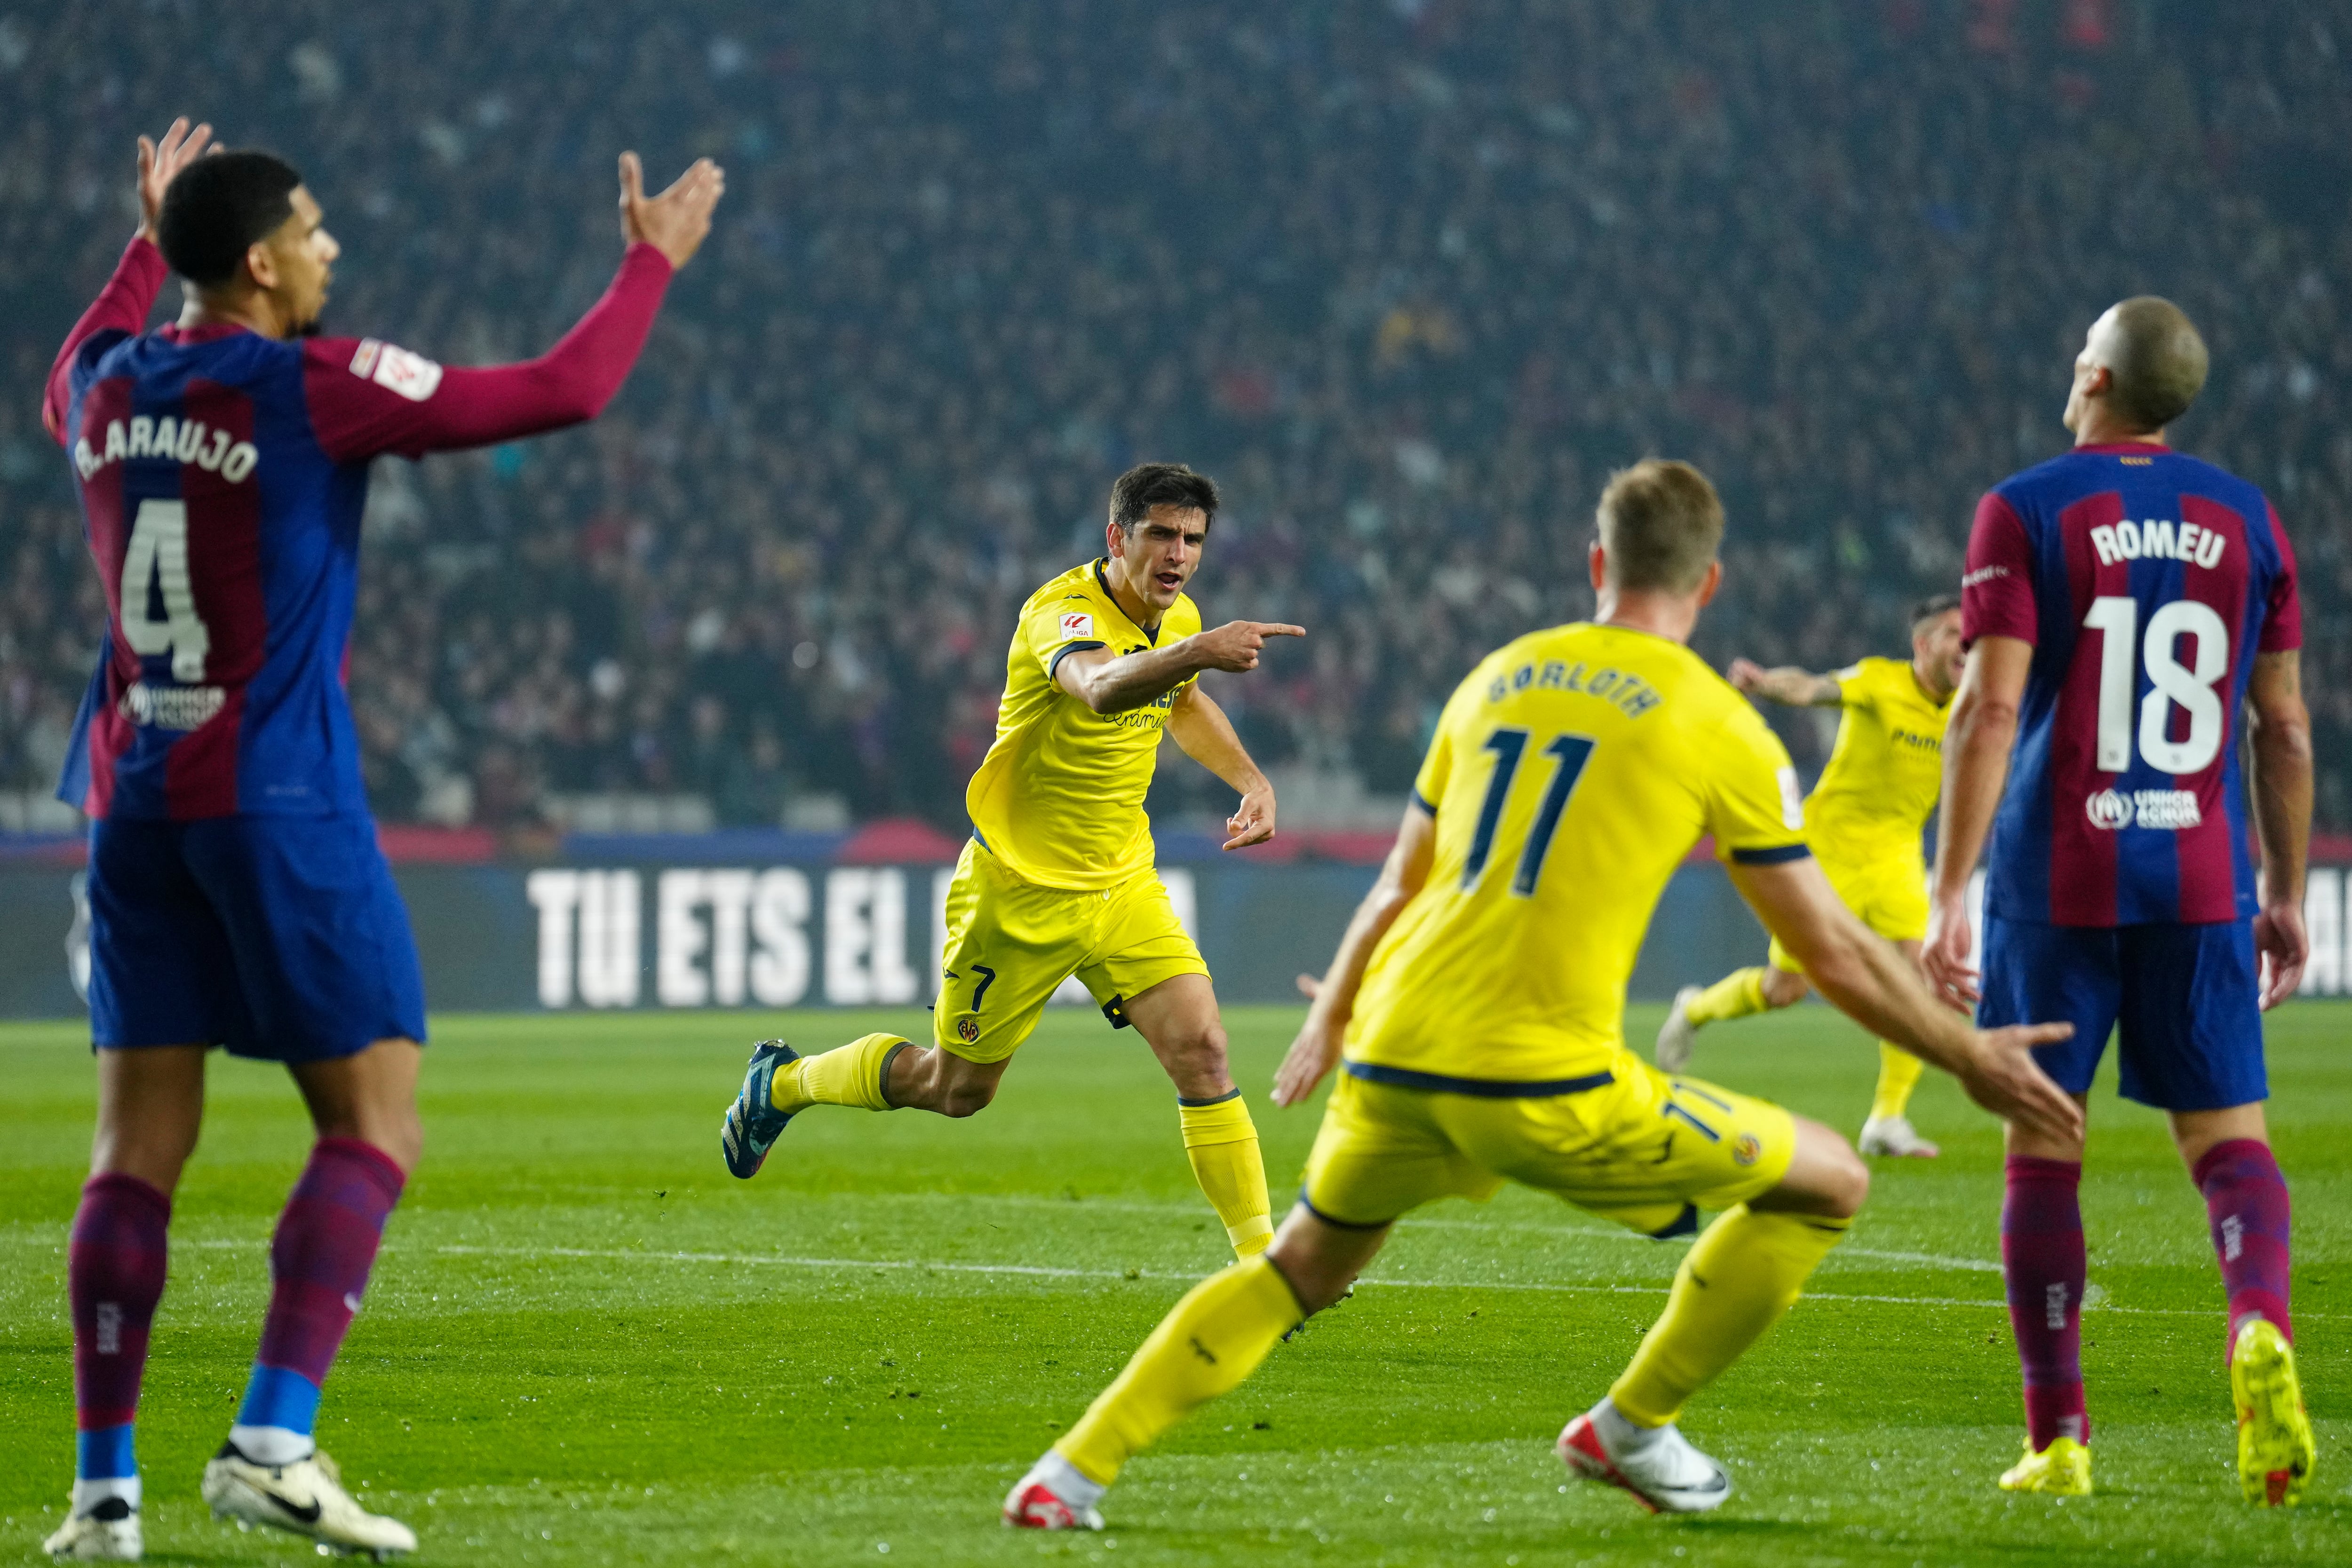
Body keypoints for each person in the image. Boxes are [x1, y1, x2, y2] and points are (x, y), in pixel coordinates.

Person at [1002, 459, 2081, 1529]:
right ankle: (1629, 1426)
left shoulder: (1499, 676)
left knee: (1298, 1269)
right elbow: (1832, 954)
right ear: (1707, 586)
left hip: (1394, 1051)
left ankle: (1068, 1472)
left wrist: (1334, 1015)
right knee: (1831, 1178)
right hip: (1539, 1074)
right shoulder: (1718, 723)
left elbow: (1399, 881)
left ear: (1597, 563)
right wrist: (1971, 1054)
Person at [39, 119, 722, 1562]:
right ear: (266, 262)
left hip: (134, 799)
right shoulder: (307, 386)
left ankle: (104, 1496)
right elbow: (562, 389)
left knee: (130, 1156)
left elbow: (75, 358)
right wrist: (647, 268)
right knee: (374, 1122)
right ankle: (272, 1441)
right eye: (318, 229)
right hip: (277, 798)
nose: (335, 250)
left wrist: (138, 244)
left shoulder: (104, 389)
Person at [1923, 297, 2315, 1504]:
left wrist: (1950, 887)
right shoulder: (2250, 517)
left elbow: (1989, 712)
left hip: (2057, 879)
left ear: (2092, 375)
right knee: (2228, 1147)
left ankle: (2059, 1440)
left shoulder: (2026, 506)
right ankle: (2258, 1326)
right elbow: (2284, 729)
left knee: (2044, 1149)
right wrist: (2283, 890)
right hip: (2195, 876)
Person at [720, 463, 1300, 1263]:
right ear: (1117, 537)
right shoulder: (1059, 613)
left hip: (1121, 881)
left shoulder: (1179, 618)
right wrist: (1198, 645)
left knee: (1204, 1047)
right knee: (955, 1090)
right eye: (1161, 534)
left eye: (1192, 539)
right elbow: (1100, 686)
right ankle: (783, 1083)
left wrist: (1252, 779)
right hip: (1019, 892)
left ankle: (1262, 1264)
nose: (1177, 555)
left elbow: (1184, 698)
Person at [1656, 595, 1966, 1158]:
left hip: (1897, 854)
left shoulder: (1971, 703)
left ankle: (1887, 1119)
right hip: (1829, 852)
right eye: (1951, 633)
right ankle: (1694, 1009)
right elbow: (1814, 688)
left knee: (1914, 986)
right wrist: (1767, 683)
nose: (1965, 643)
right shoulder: (1878, 681)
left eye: (1970, 633)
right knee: (1785, 989)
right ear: (1922, 645)